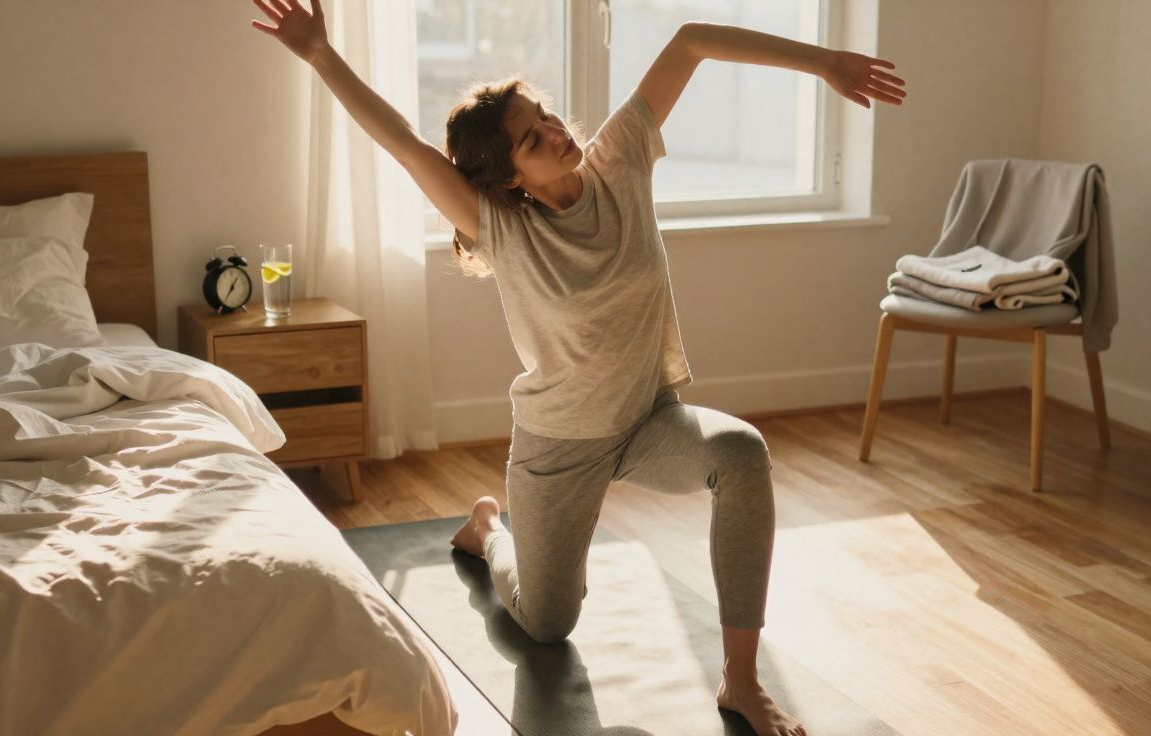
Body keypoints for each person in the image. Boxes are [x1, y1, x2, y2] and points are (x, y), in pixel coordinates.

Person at [252, 2, 906, 734]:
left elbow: (690, 41)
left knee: (742, 455)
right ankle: (488, 531)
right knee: (545, 623)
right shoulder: (500, 225)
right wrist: (321, 56)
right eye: (533, 139)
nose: (558, 133)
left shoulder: (619, 160)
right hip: (558, 445)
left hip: (647, 420)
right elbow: (403, 146)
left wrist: (826, 62)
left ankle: (742, 682)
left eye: (548, 117)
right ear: (510, 179)